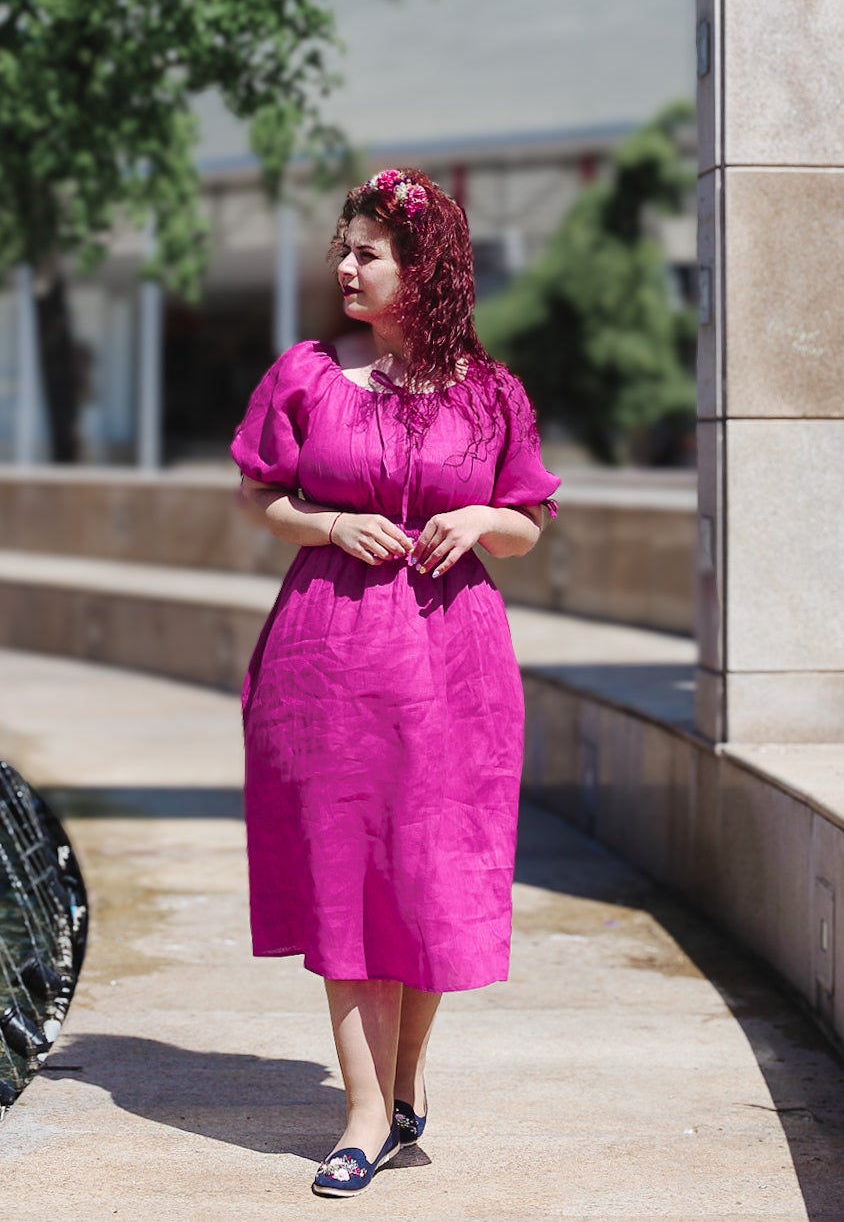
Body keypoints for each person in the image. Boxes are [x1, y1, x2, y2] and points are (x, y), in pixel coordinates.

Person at [231, 168, 560, 1199]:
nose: (344, 265)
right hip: (325, 659)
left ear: (422, 268)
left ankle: (405, 1077)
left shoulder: (491, 393)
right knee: (343, 872)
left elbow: (526, 519)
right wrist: (327, 522)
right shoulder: (307, 374)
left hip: (451, 665)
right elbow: (258, 494)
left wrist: (479, 522)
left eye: (366, 251)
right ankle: (363, 1112)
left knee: (421, 873)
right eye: (344, 247)